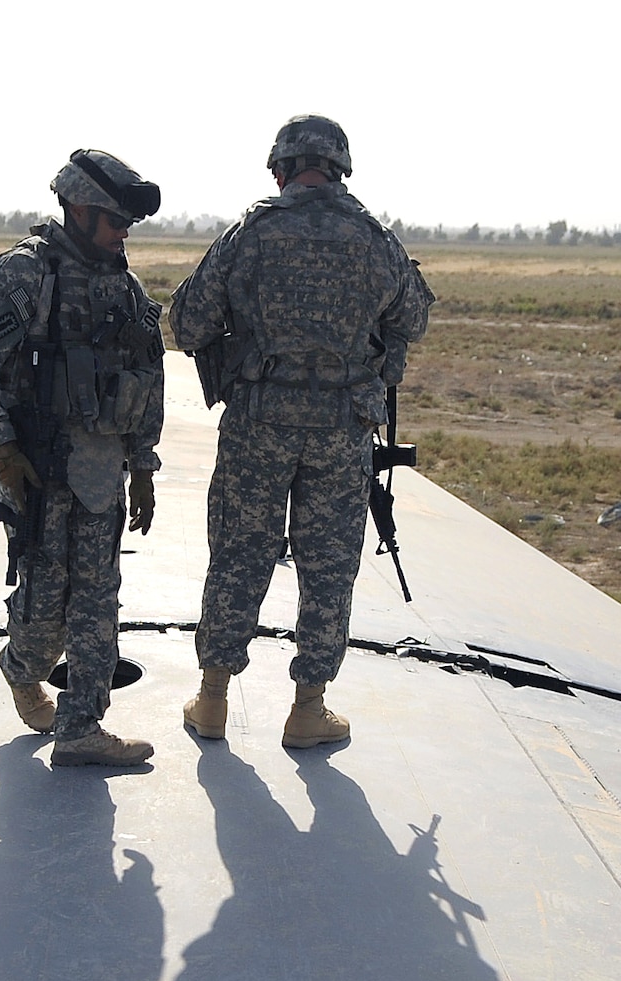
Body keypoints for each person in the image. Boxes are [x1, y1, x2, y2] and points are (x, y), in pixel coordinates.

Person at [170, 115, 434, 749]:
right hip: (341, 431)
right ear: (340, 169)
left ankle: (212, 700)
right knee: (328, 566)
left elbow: (185, 325)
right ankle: (308, 710)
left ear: (280, 170)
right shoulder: (376, 239)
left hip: (258, 423)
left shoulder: (249, 234)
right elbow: (415, 319)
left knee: (238, 556)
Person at [0, 150, 166, 767]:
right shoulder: (25, 275)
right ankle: (21, 668)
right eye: (112, 220)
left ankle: (81, 727)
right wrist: (2, 447)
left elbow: (146, 380)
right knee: (44, 607)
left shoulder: (126, 289)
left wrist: (142, 467)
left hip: (101, 477)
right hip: (41, 473)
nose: (122, 233)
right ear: (78, 210)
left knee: (99, 601)